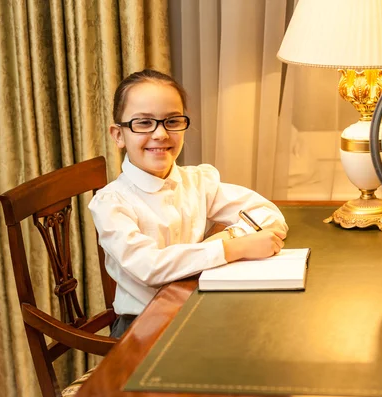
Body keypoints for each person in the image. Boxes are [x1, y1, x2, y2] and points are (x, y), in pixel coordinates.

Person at [89, 69, 288, 337]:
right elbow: (150, 267)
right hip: (141, 328)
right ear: (119, 135)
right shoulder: (111, 203)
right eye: (144, 123)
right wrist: (232, 248)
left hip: (198, 312)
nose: (160, 134)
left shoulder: (197, 181)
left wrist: (232, 233)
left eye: (172, 121)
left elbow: (268, 214)